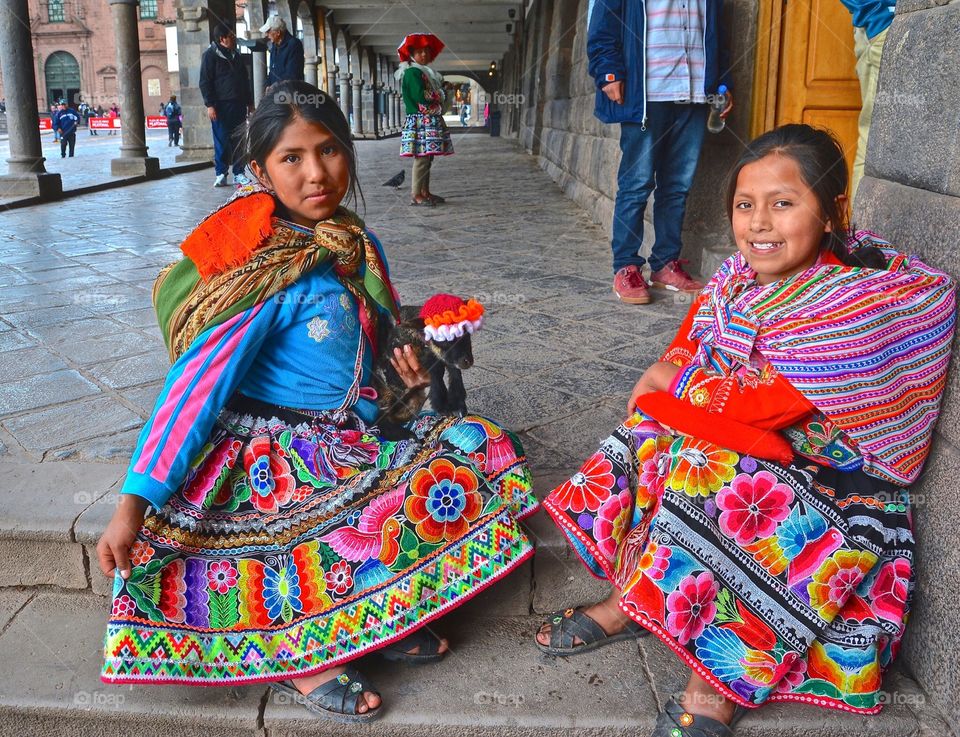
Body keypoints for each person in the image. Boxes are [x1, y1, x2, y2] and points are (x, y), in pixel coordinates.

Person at [95, 79, 538, 723]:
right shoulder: (264, 270)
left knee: (481, 446)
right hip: (269, 457)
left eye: (329, 151)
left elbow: (362, 367)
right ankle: (309, 662)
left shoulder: (352, 243)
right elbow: (194, 387)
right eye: (291, 158)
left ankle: (385, 610)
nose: (316, 174)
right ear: (260, 171)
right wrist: (134, 502)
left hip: (341, 433)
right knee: (297, 540)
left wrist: (406, 386)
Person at [535, 124, 955, 736]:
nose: (759, 223)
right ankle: (632, 599)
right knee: (657, 445)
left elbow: (752, 411)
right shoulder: (739, 278)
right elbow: (683, 355)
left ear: (834, 211)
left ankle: (711, 686)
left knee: (710, 472)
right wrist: (663, 391)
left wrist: (662, 398)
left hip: (835, 488)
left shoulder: (849, 307)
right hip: (760, 448)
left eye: (783, 204)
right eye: (744, 204)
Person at [588, 0, 733, 305]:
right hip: (647, 94)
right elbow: (603, 27)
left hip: (693, 93)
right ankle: (626, 266)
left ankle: (666, 264)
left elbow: (717, 34)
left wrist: (722, 83)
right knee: (637, 184)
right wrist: (608, 72)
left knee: (677, 187)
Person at [841, 0, 896, 203]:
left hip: (889, 23)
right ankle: (861, 233)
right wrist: (880, 14)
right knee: (874, 140)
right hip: (887, 25)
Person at [396, 33, 453, 207]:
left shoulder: (425, 73)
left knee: (428, 157)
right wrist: (442, 93)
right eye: (420, 52)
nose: (424, 55)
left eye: (426, 52)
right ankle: (415, 195)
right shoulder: (413, 73)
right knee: (421, 158)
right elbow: (422, 96)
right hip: (421, 121)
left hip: (428, 120)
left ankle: (424, 191)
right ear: (412, 54)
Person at [201, 21, 254, 187]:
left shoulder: (236, 56)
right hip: (220, 107)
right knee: (222, 141)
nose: (234, 39)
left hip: (238, 104)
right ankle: (221, 173)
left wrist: (249, 102)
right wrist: (210, 105)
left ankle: (239, 173)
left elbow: (245, 81)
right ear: (222, 39)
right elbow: (205, 82)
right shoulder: (210, 56)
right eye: (231, 36)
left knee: (239, 140)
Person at [260, 14, 305, 88]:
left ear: (278, 32)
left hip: (291, 92)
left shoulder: (294, 44)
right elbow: (272, 72)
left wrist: (274, 86)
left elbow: (293, 74)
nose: (266, 35)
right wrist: (268, 85)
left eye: (268, 31)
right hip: (277, 92)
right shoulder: (274, 46)